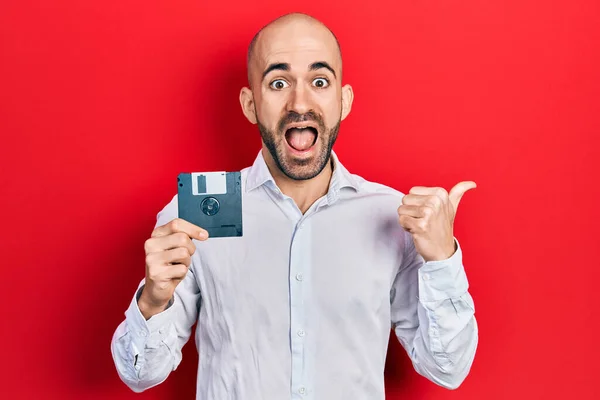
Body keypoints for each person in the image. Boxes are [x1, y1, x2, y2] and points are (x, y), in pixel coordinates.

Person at [111, 12, 478, 399]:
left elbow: (447, 370)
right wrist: (153, 299)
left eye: (319, 82)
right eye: (279, 82)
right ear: (251, 104)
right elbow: (139, 375)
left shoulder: (392, 217)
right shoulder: (196, 215)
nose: (299, 102)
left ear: (343, 100)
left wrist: (442, 261)